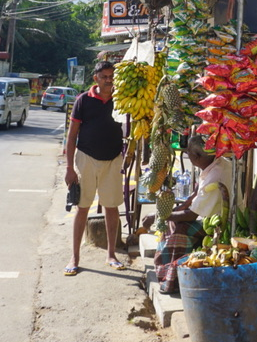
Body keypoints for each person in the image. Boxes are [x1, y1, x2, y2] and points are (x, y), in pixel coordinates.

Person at [144, 134, 231, 293]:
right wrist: (168, 212)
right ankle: (166, 268)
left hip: (221, 224)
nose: (187, 155)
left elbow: (191, 214)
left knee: (180, 227)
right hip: (210, 216)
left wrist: (159, 216)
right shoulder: (214, 165)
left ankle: (172, 280)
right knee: (172, 220)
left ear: (197, 156)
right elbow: (193, 198)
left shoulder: (215, 174)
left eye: (189, 152)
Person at [63, 61, 125, 276]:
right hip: (86, 158)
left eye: (111, 76)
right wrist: (69, 168)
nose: (109, 80)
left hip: (113, 159)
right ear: (96, 78)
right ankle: (75, 257)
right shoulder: (83, 101)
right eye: (104, 76)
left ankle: (111, 254)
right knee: (82, 207)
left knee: (111, 207)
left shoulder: (123, 99)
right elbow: (71, 137)